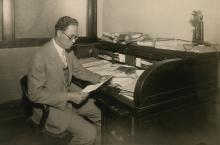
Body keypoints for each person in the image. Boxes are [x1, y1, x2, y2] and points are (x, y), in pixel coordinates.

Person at [28, 16, 106, 145]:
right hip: (51, 107)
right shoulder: (40, 56)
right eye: (72, 36)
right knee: (89, 133)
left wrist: (99, 78)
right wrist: (69, 96)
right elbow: (34, 94)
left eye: (77, 37)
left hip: (69, 97)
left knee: (104, 116)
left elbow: (79, 71)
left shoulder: (68, 51)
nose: (74, 41)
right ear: (59, 33)